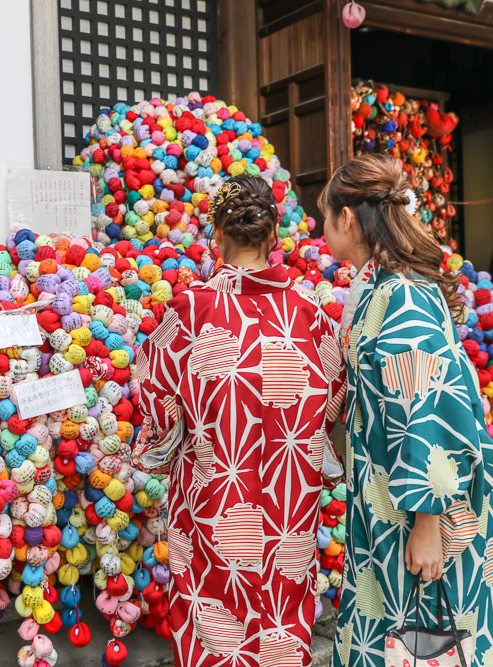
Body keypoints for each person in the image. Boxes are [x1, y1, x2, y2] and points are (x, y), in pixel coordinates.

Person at [320, 153, 493, 667]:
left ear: (348, 219)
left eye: (324, 216)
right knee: (407, 639)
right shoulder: (382, 287)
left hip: (417, 502)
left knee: (429, 638)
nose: (321, 228)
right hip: (387, 494)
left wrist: (428, 520)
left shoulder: (403, 296)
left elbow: (428, 406)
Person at [133, 174, 345, 667]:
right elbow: (333, 399)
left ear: (218, 237)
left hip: (212, 500)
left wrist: (169, 441)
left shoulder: (191, 311)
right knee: (280, 617)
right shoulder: (309, 314)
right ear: (274, 238)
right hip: (288, 504)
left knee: (212, 622)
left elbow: (155, 393)